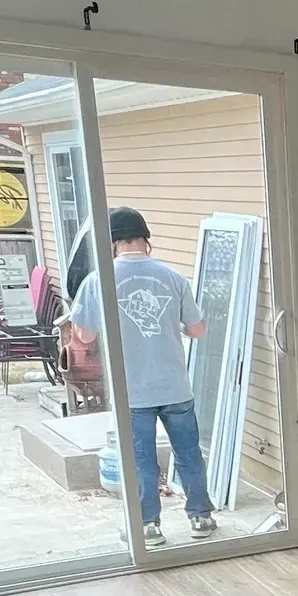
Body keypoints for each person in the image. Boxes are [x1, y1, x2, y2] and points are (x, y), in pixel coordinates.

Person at [66, 208, 218, 545]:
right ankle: (201, 517)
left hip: (130, 390)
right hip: (175, 385)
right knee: (188, 453)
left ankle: (148, 526)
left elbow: (86, 337)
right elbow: (197, 330)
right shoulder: (174, 278)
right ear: (145, 239)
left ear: (113, 242)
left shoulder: (97, 280)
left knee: (141, 459)